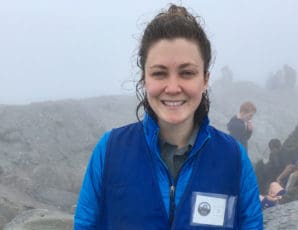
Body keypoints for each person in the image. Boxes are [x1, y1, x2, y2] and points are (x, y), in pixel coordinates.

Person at [74, 4, 262, 229]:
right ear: (144, 79)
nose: (173, 87)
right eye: (159, 73)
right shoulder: (110, 150)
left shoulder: (234, 158)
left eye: (187, 73)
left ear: (205, 79)